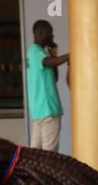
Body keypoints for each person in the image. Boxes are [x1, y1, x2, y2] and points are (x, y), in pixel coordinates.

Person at [26, 20, 68, 152]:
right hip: (48, 110)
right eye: (50, 33)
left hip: (39, 113)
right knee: (49, 155)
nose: (53, 37)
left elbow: (54, 77)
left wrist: (53, 55)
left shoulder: (36, 53)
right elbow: (50, 62)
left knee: (35, 154)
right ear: (40, 33)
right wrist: (69, 56)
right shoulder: (36, 53)